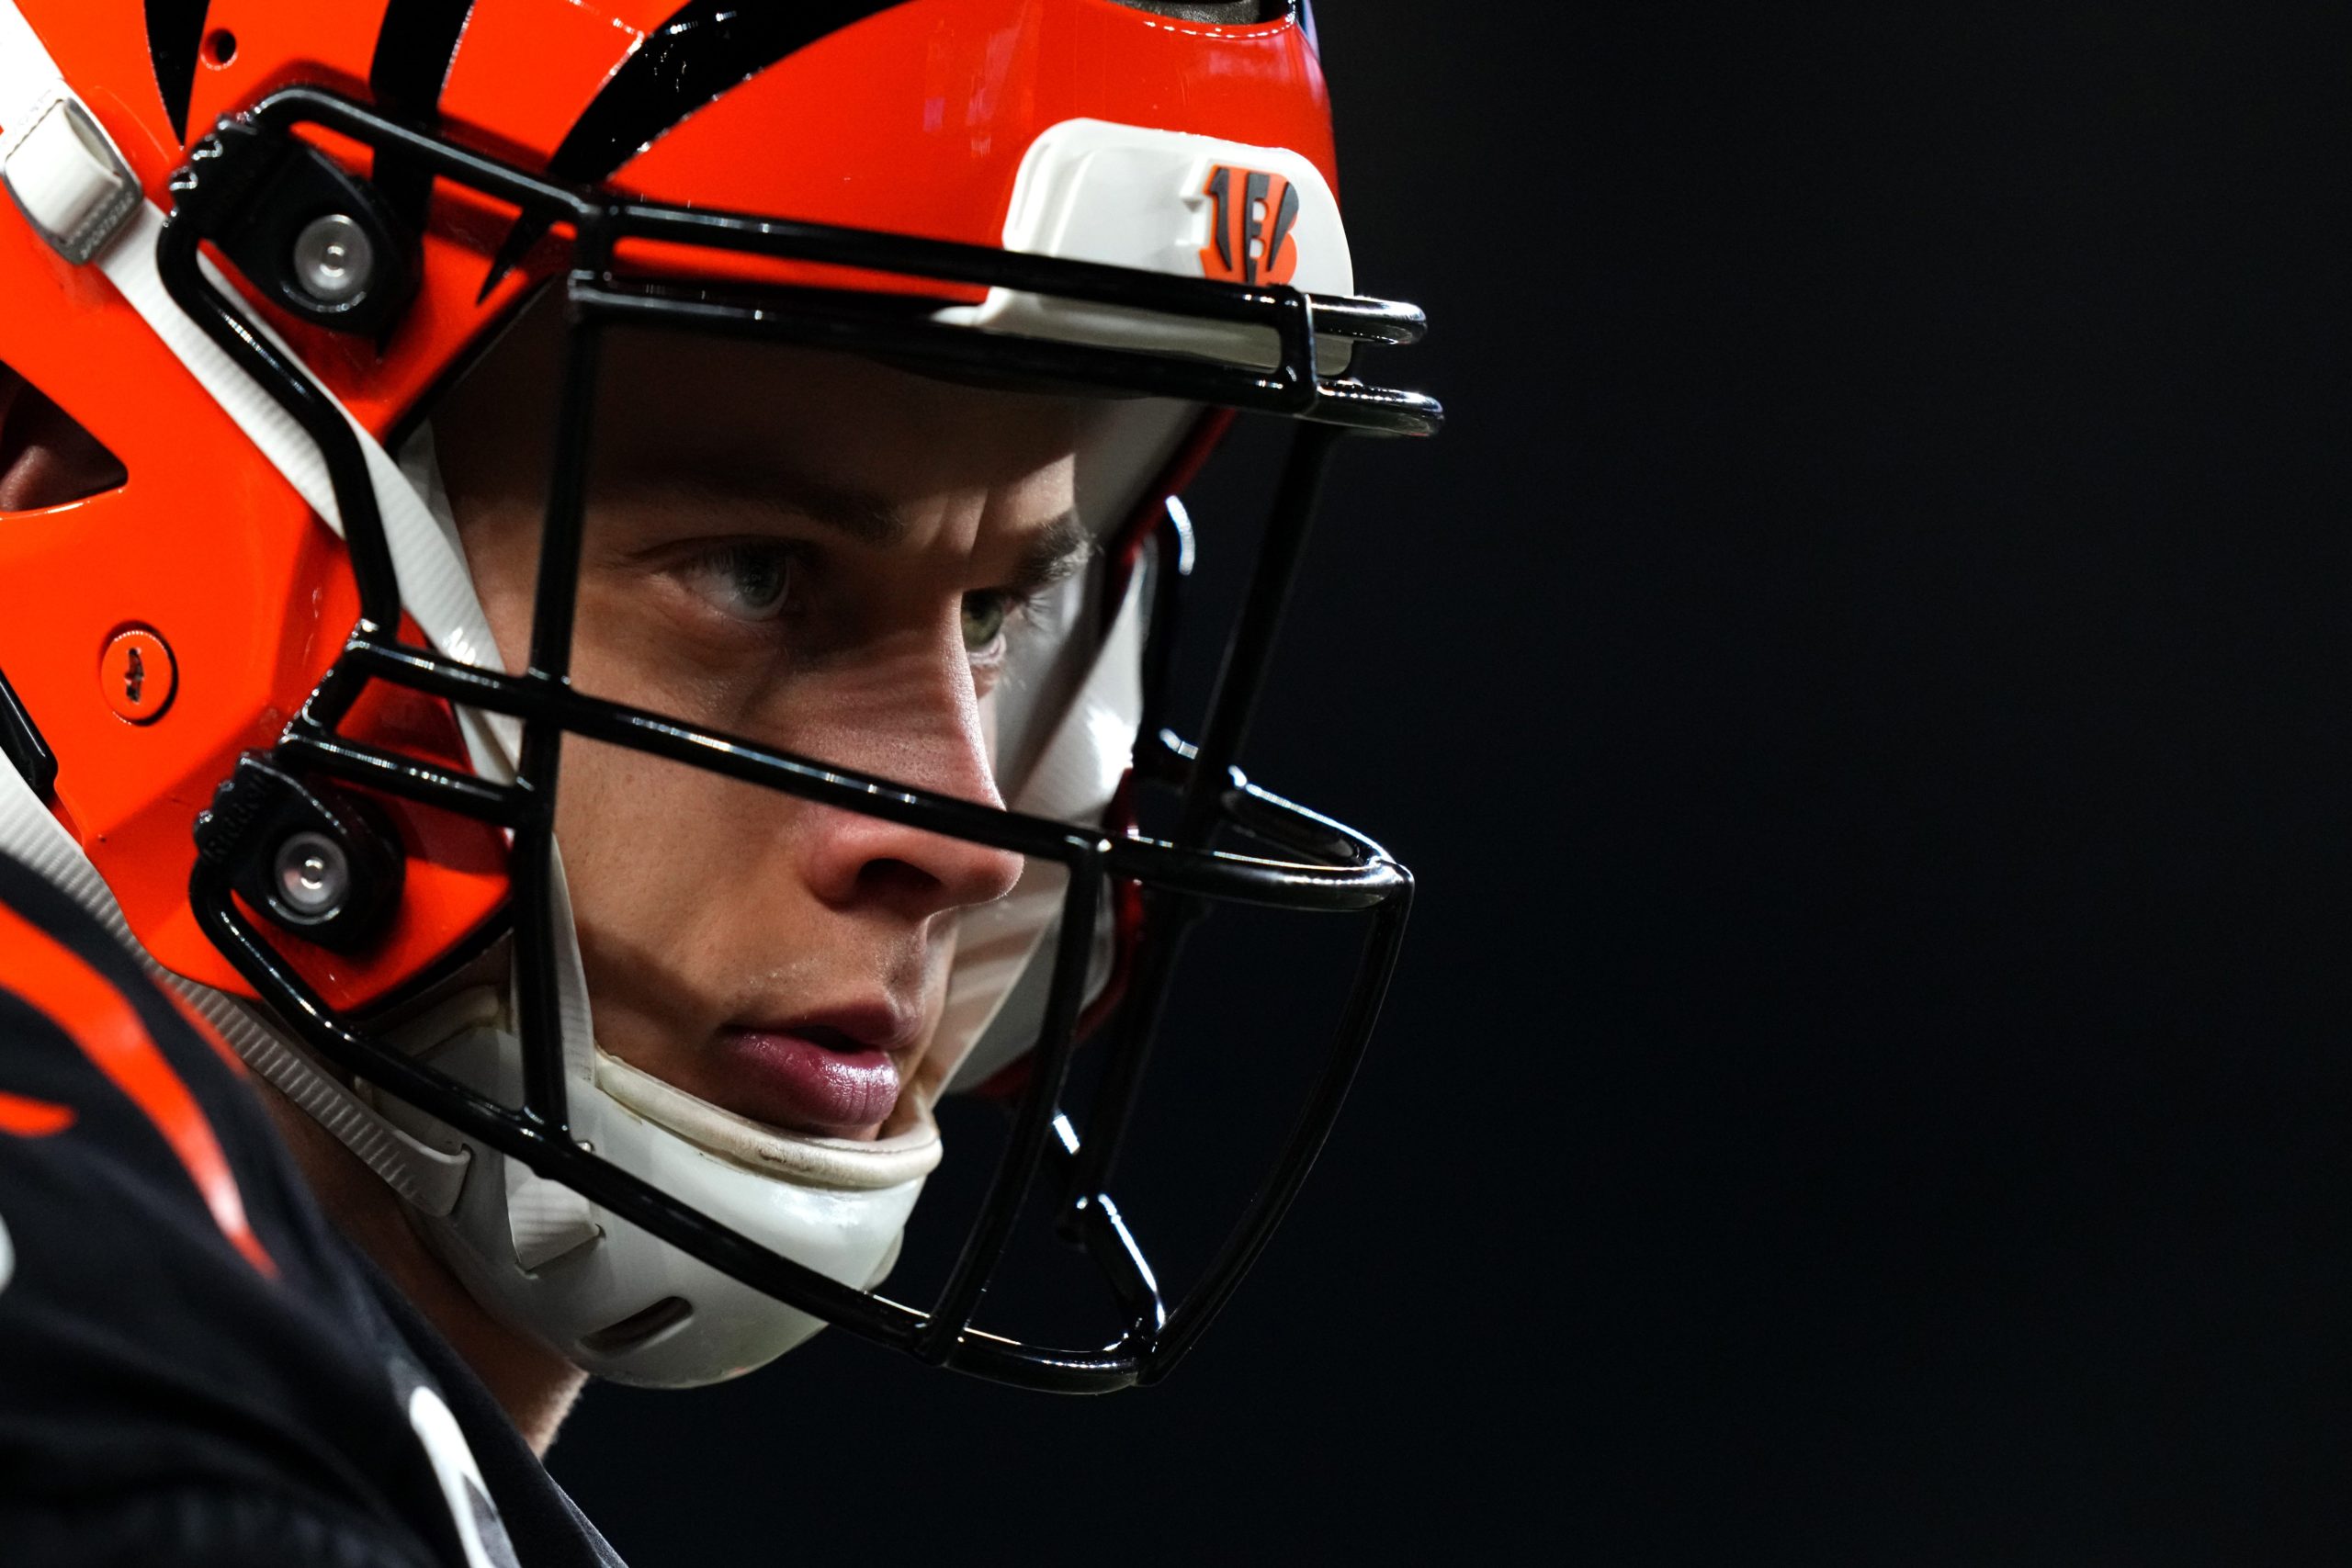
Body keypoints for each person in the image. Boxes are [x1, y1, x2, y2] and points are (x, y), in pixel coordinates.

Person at [0, 1, 1437, 1561]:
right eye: (756, 576)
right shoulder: (110, 1416)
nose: (966, 840)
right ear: (82, 489)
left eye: (1000, 614)